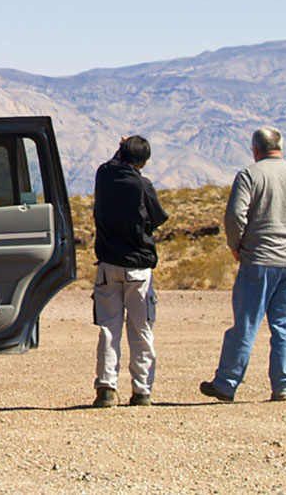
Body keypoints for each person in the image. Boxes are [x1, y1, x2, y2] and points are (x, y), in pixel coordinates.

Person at [200, 127, 286, 403]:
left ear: (255, 150)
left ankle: (227, 383)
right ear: (281, 146)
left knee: (246, 324)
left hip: (258, 259)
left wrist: (236, 245)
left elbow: (234, 215)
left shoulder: (250, 176)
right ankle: (283, 386)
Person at [92, 135, 168, 407]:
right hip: (138, 269)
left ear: (121, 155)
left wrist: (120, 149)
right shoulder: (142, 185)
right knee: (141, 329)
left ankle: (106, 387)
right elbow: (158, 217)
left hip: (108, 266)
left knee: (108, 329)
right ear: (144, 162)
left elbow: (111, 164)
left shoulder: (104, 176)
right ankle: (142, 389)